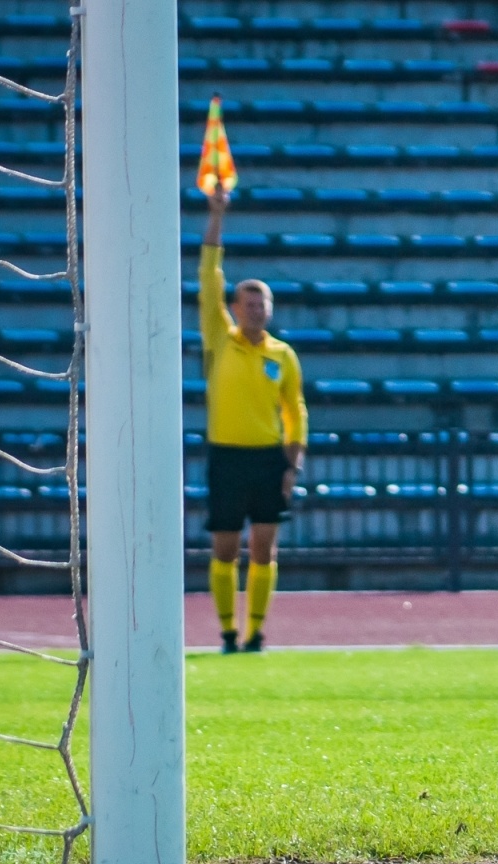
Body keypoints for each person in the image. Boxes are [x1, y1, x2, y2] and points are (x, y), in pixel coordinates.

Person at [199, 190, 308, 654]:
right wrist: (216, 215)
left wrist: (291, 463)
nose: (254, 310)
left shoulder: (282, 355)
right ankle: (226, 632)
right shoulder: (220, 342)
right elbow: (208, 275)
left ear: (269, 309)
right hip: (226, 455)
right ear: (234, 308)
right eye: (246, 303)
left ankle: (256, 632)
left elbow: (295, 409)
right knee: (225, 549)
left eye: (261, 303)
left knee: (264, 549)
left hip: (267, 459)